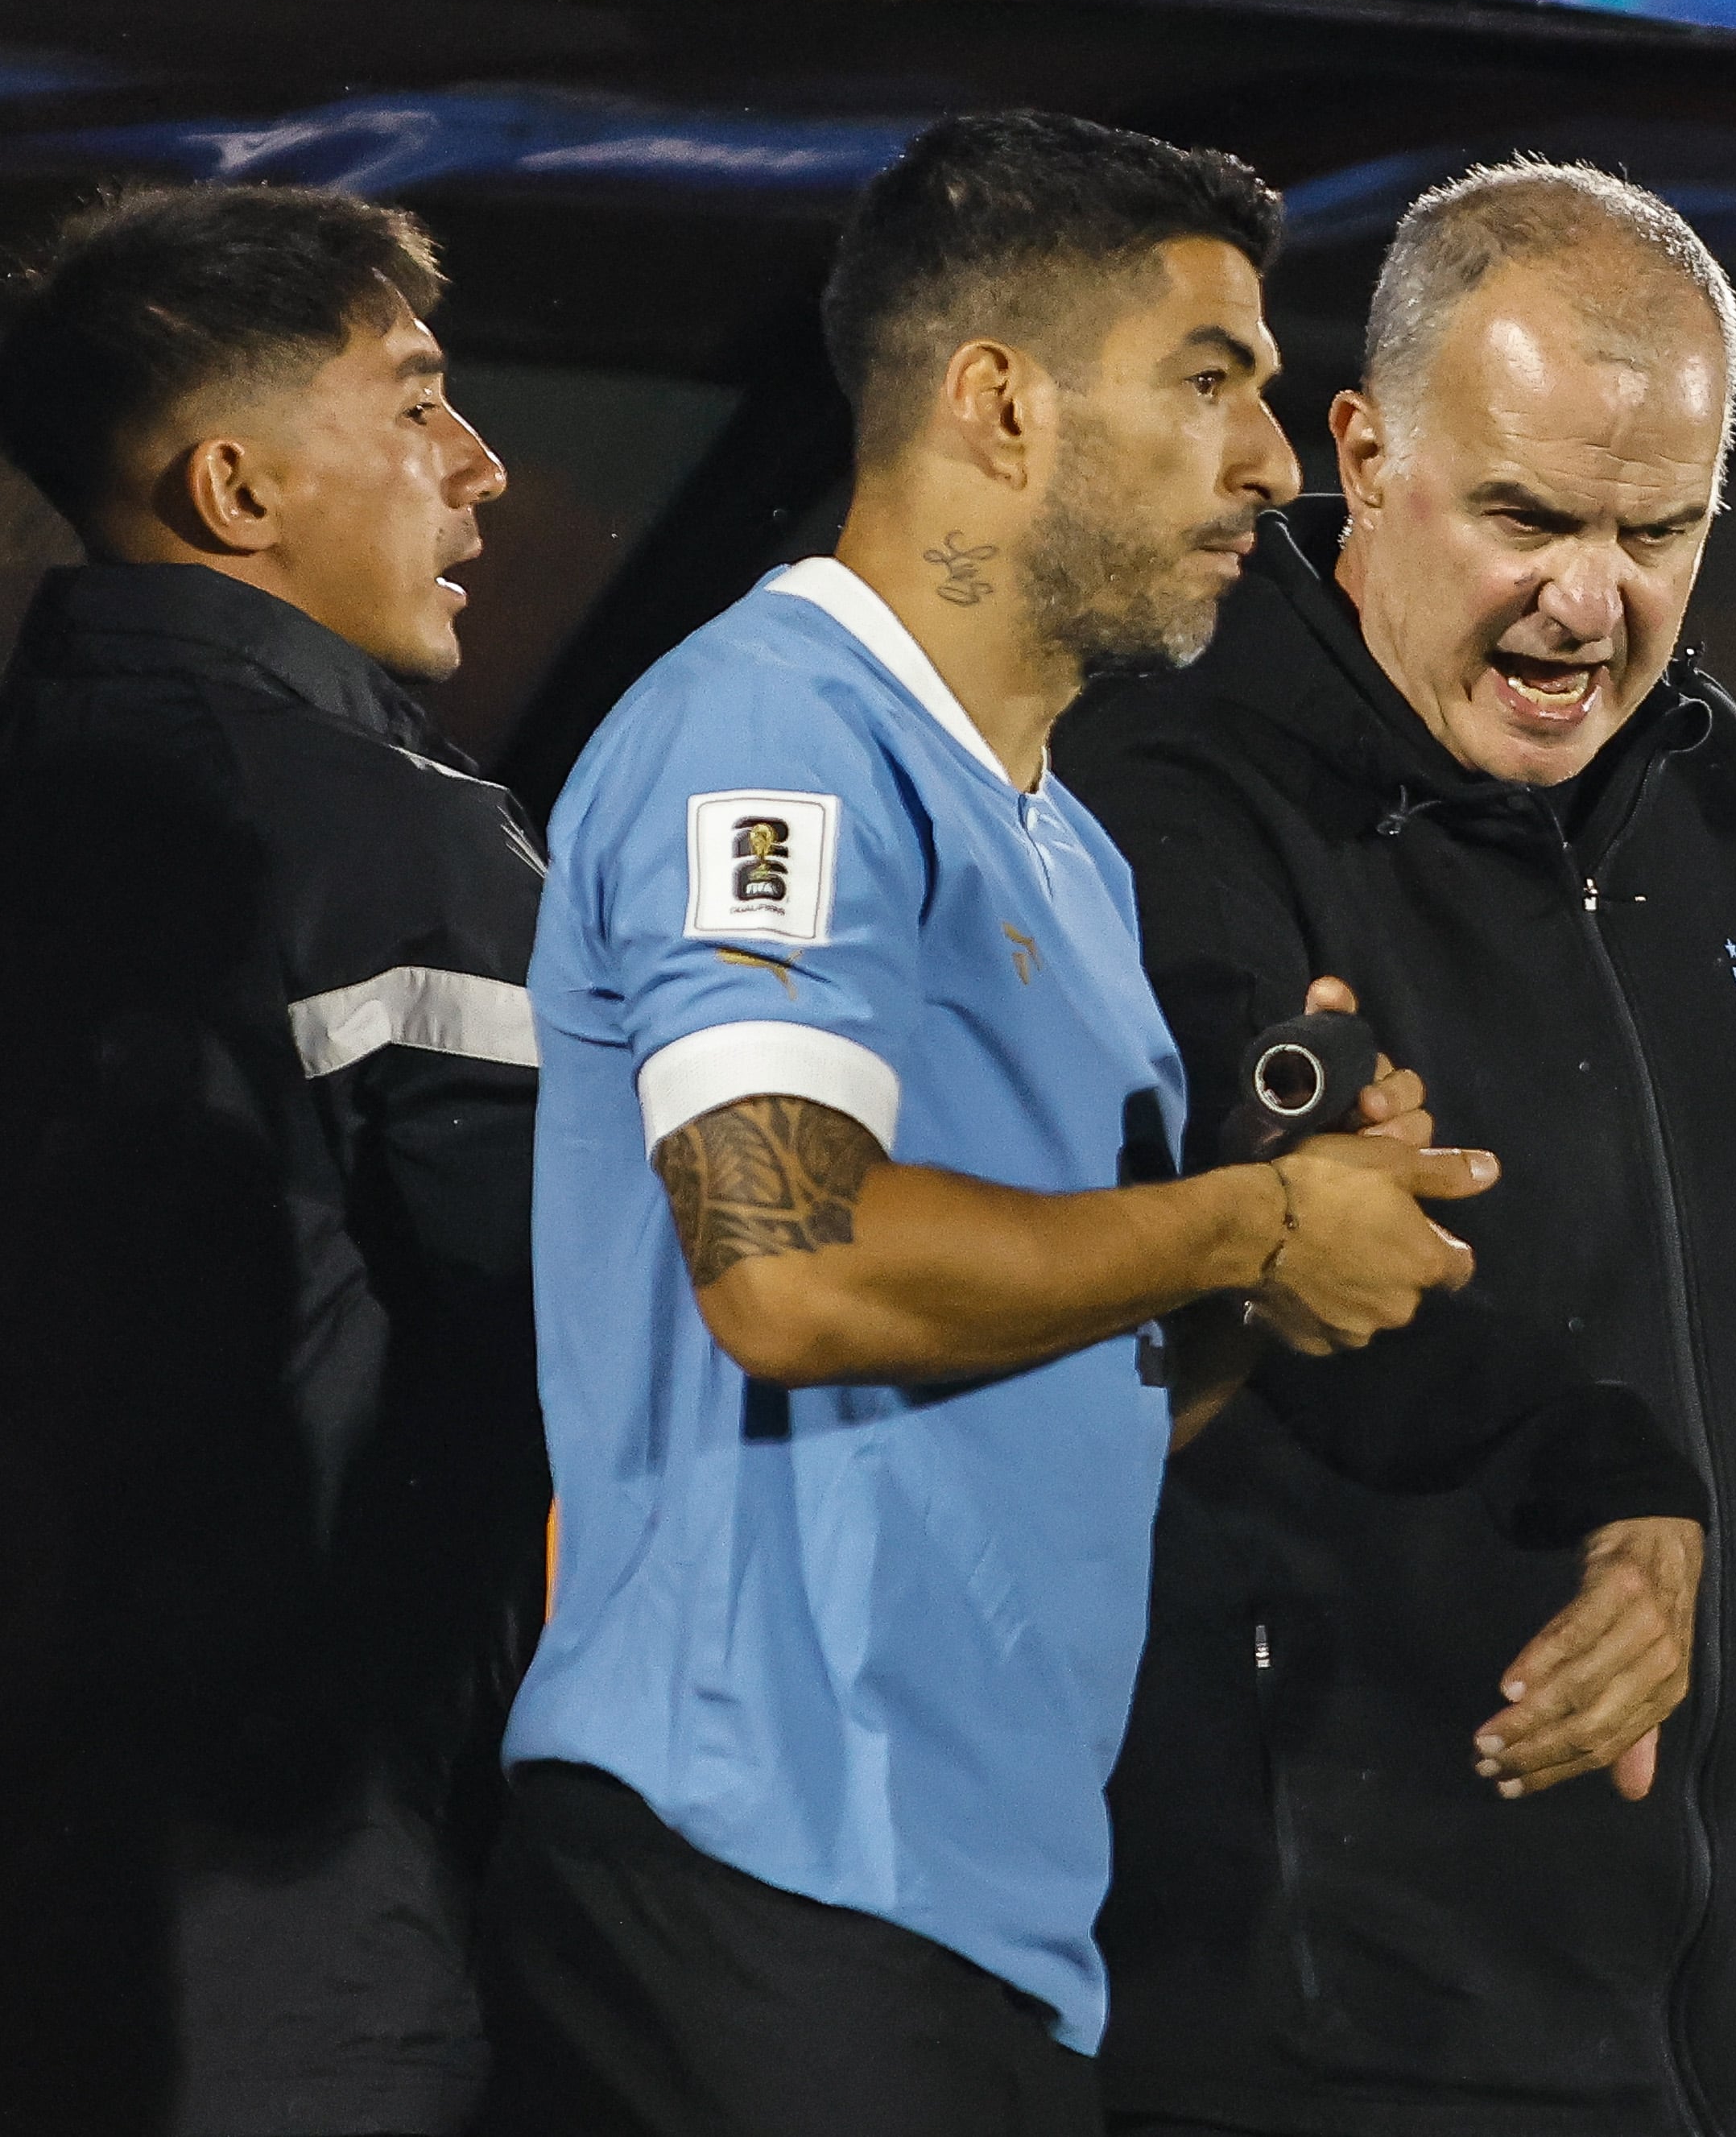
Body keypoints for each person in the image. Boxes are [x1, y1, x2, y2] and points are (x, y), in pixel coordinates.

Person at [477, 112, 1494, 2137]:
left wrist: (1269, 1267)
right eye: (1210, 383)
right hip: (751, 1851)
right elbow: (790, 1263)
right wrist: (1237, 1229)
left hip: (983, 1917)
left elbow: (1072, 1370)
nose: (1269, 466)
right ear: (1001, 405)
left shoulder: (1075, 858)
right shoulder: (770, 728)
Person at [1052, 162, 1736, 2137]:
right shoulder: (1171, 776)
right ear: (1361, 454)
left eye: (1659, 529)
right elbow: (1225, 1213)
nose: (1593, 598)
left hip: (1663, 2034)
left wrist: (1730, 1892)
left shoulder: (1701, 779)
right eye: (1528, 517)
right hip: (1310, 2025)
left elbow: (1717, 1328)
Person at [0, 184, 537, 2137]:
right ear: (236, 486)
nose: (478, 470)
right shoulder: (379, 835)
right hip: (280, 1914)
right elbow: (626, 1307)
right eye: (412, 406)